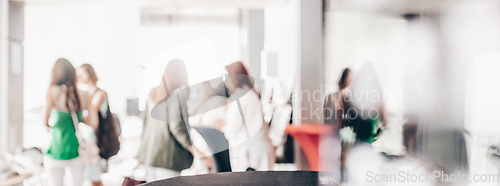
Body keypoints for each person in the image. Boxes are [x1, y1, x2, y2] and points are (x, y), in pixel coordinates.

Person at [136, 59, 212, 182]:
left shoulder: (153, 93)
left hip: (149, 157)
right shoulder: (179, 94)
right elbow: (177, 127)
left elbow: (144, 124)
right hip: (168, 159)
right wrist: (199, 154)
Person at [43, 58, 98, 186]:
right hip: (76, 152)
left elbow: (44, 122)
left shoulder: (52, 91)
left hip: (55, 151)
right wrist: (79, 117)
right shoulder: (84, 94)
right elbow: (94, 123)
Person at [214, 62, 275, 172]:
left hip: (253, 154)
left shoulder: (242, 97)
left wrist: (222, 126)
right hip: (257, 150)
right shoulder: (249, 93)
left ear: (236, 78)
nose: (225, 82)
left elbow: (231, 130)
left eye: (227, 77)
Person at [75, 64, 108, 186]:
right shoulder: (85, 94)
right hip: (88, 140)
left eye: (80, 74)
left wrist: (74, 114)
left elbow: (90, 117)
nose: (78, 77)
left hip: (96, 141)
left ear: (88, 74)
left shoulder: (99, 94)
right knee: (91, 177)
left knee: (94, 177)